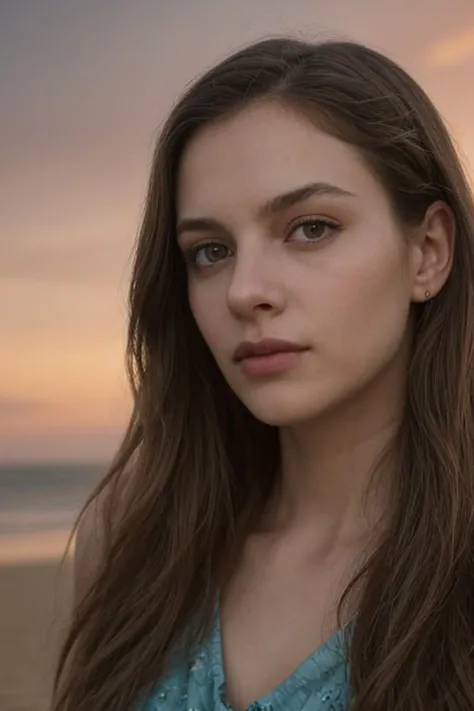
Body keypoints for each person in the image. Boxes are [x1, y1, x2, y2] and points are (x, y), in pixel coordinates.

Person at [52, 36, 474, 711]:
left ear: (427, 252)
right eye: (210, 251)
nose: (245, 290)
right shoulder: (132, 539)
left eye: (310, 228)